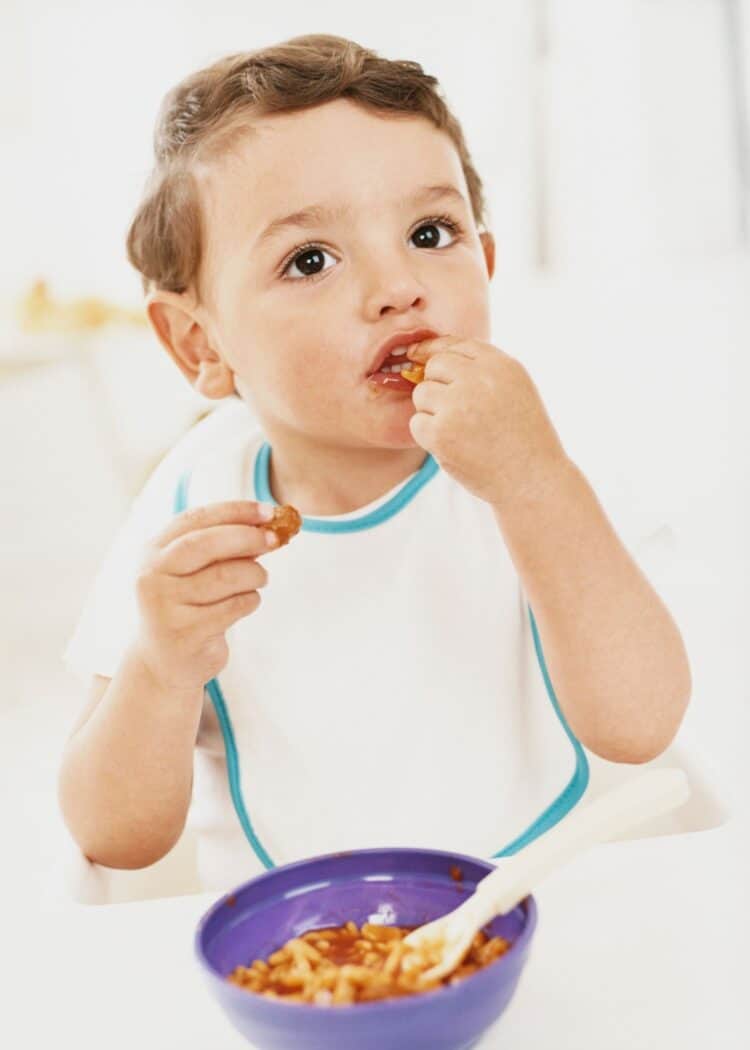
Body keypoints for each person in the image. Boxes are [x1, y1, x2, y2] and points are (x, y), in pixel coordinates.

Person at [57, 34, 691, 896]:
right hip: (296, 927)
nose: (399, 286)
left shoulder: (529, 449)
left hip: (541, 885)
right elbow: (109, 836)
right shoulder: (190, 501)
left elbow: (642, 724)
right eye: (309, 260)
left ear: (488, 265)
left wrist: (534, 483)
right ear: (200, 343)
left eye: (432, 233)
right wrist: (161, 672)